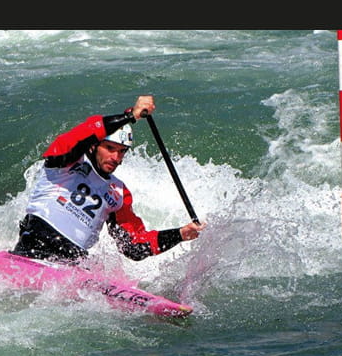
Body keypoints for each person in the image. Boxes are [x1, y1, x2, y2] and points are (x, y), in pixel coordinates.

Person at [12, 95, 207, 264]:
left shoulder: (119, 192)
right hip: (34, 246)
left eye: (122, 151)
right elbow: (83, 134)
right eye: (110, 149)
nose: (116, 157)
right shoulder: (65, 163)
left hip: (72, 262)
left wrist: (180, 234)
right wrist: (130, 116)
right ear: (93, 146)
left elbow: (133, 245)